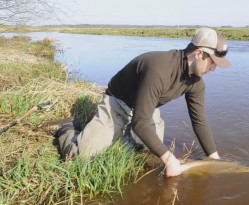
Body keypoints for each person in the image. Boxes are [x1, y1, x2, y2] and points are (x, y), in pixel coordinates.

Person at [55, 27, 231, 177]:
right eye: (213, 62)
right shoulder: (159, 68)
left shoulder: (197, 83)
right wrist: (169, 159)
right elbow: (140, 123)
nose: (213, 68)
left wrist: (214, 158)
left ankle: (120, 137)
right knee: (78, 158)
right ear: (199, 53)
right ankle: (67, 127)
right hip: (118, 103)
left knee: (146, 152)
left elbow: (199, 121)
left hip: (147, 107)